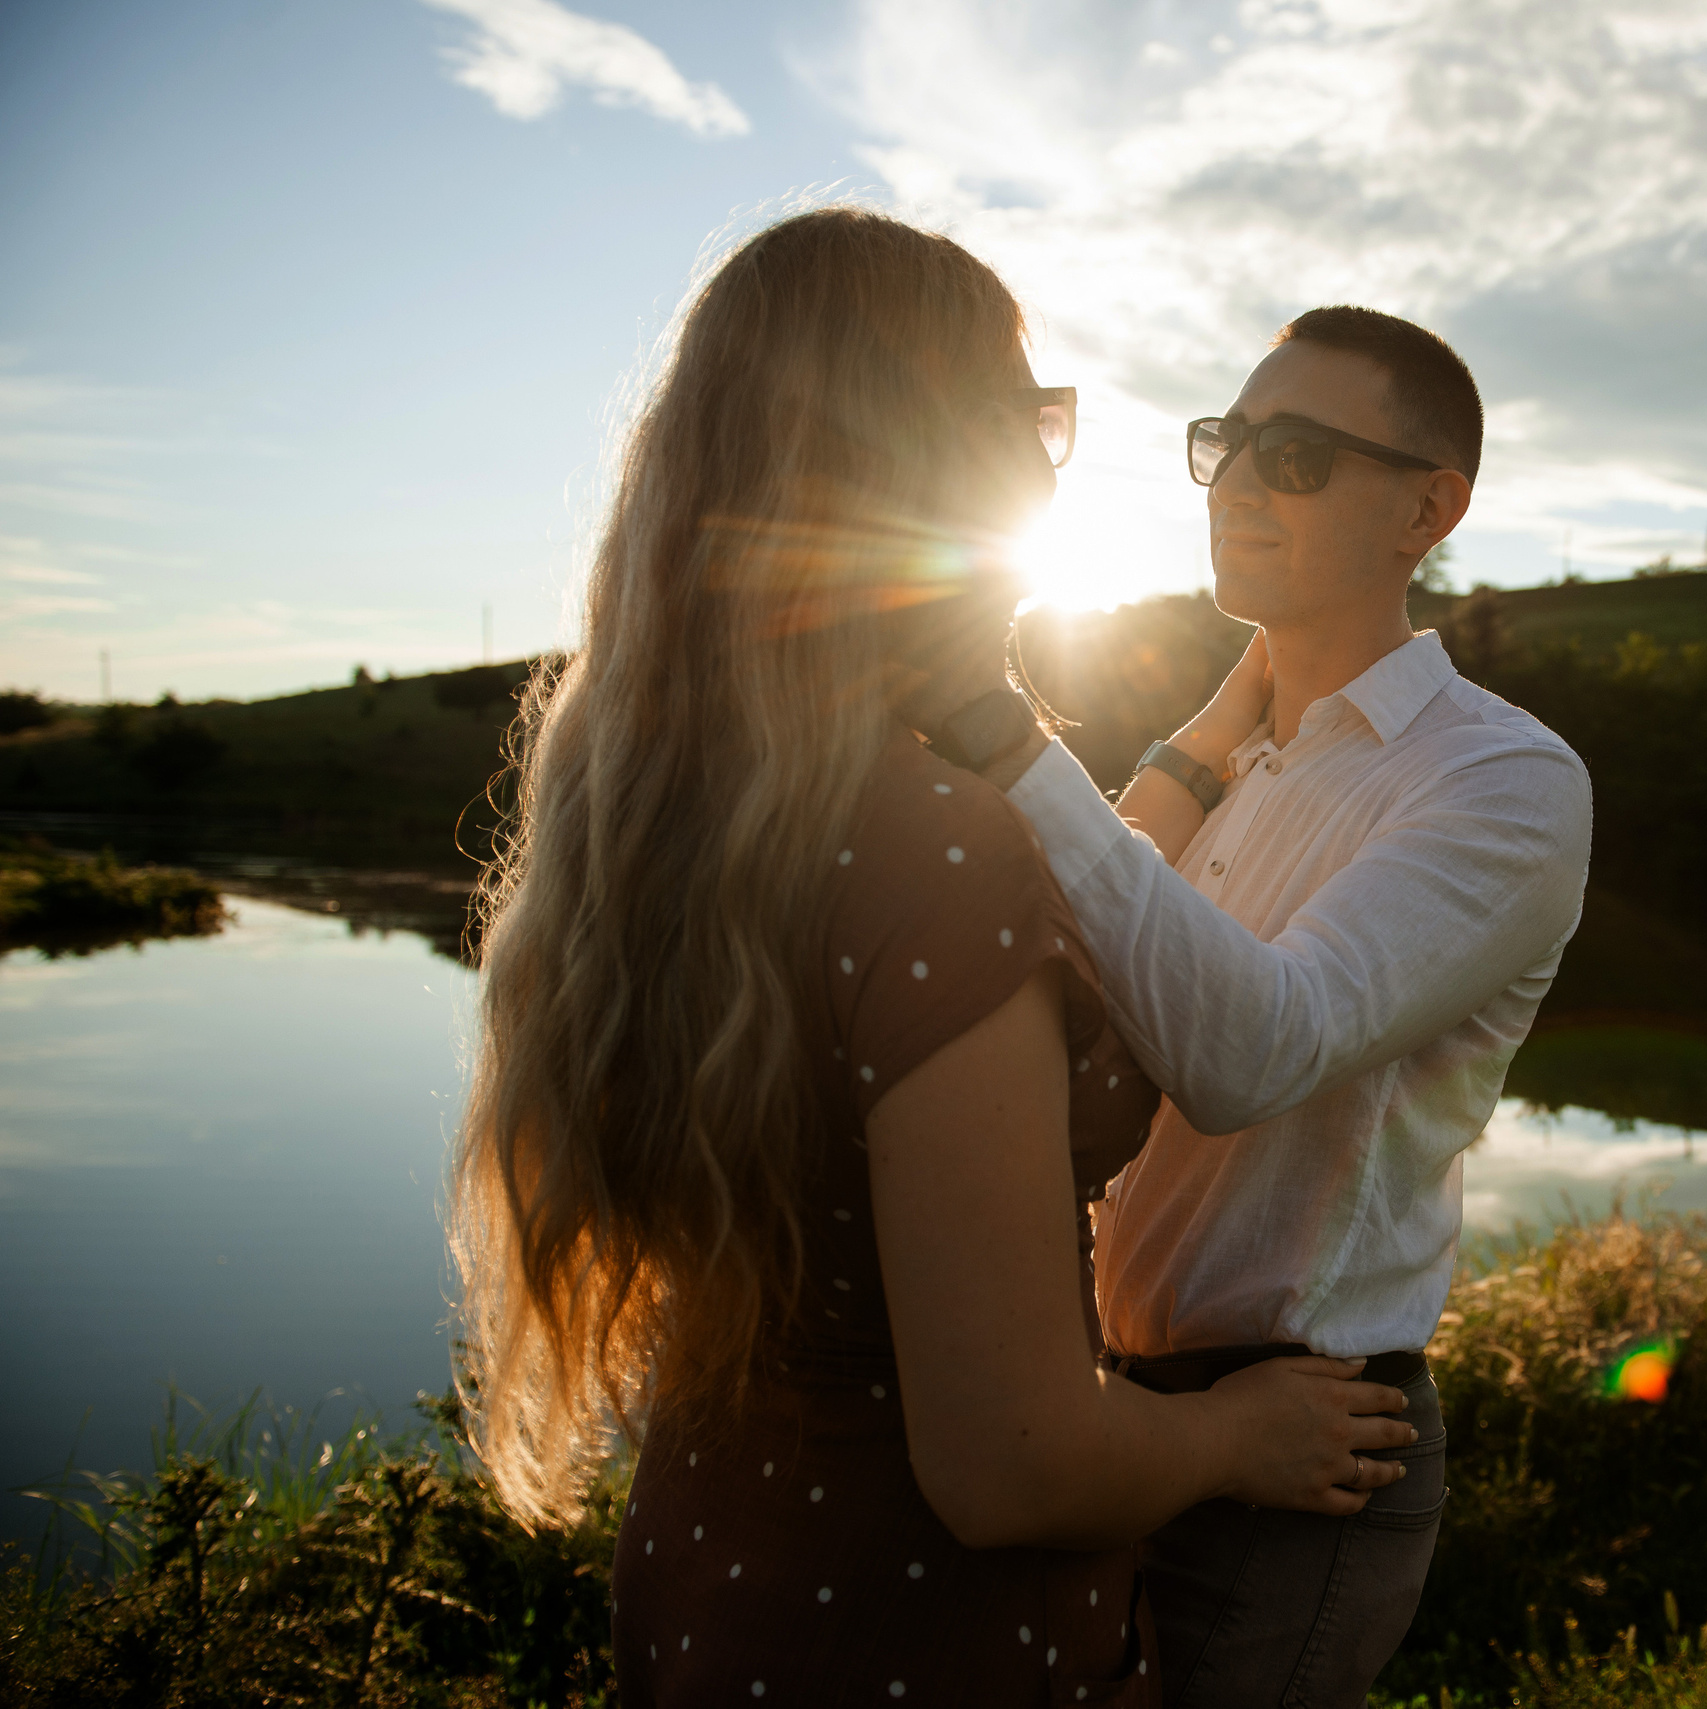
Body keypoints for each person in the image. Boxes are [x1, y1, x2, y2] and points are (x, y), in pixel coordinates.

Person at [448, 210, 1418, 1707]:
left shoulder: (679, 809)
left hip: (721, 1576)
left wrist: (1199, 749)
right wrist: (1242, 1436)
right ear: (917, 449)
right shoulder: (925, 838)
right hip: (921, 1639)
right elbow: (1012, 1464)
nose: (1046, 468)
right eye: (1026, 420)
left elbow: (986, 899)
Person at [949, 308, 1593, 1702]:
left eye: (1292, 453)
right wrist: (1193, 746)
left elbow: (1255, 1050)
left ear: (1431, 507)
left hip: (1300, 1451)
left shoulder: (1501, 780)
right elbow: (1071, 968)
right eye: (1226, 443)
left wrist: (1000, 732)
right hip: (1125, 1416)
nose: (1237, 481)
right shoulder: (1245, 759)